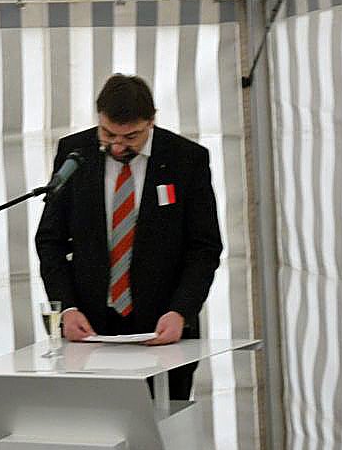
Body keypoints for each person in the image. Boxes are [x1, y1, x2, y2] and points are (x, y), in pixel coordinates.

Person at [34, 74, 222, 399]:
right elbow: (50, 240)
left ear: (151, 121)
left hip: (164, 331)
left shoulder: (186, 159)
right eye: (108, 133)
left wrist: (181, 310)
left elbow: (204, 248)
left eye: (131, 136)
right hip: (91, 330)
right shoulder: (74, 153)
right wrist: (66, 309)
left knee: (164, 424)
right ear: (99, 118)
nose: (118, 145)